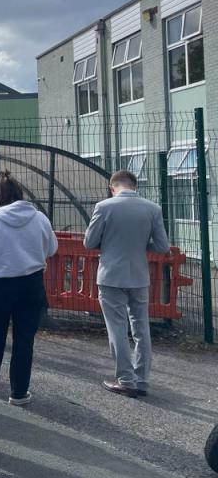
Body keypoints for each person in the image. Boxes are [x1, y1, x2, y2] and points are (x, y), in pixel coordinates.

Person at [84, 169, 170, 398]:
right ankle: (141, 380)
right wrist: (141, 247)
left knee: (118, 329)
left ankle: (125, 379)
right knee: (141, 328)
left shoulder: (104, 207)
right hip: (139, 276)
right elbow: (162, 247)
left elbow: (89, 242)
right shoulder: (152, 209)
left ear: (112, 188)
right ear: (135, 187)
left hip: (111, 275)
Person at [0, 172, 57, 405]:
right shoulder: (39, 218)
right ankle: (19, 391)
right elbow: (52, 248)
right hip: (31, 282)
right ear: (21, 194)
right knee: (24, 338)